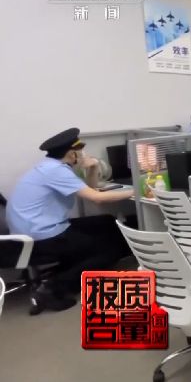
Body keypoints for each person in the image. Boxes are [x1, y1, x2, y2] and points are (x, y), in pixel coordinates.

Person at [5, 128, 134, 312]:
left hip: (35, 231)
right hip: (42, 237)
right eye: (80, 151)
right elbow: (96, 198)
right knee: (110, 250)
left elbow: (91, 189)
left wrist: (93, 167)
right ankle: (52, 288)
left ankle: (62, 273)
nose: (82, 154)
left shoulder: (49, 166)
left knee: (106, 222)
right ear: (72, 153)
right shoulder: (56, 171)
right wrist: (137, 191)